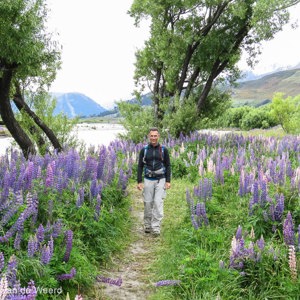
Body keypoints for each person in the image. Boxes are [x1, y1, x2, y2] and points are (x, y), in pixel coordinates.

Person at [137, 127, 171, 236]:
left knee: (157, 202)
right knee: (147, 203)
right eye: (151, 136)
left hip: (161, 179)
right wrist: (139, 181)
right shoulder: (144, 150)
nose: (153, 138)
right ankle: (147, 225)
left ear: (158, 136)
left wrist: (168, 181)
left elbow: (168, 165)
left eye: (155, 136)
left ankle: (156, 227)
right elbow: (140, 166)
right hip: (148, 179)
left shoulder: (164, 150)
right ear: (149, 136)